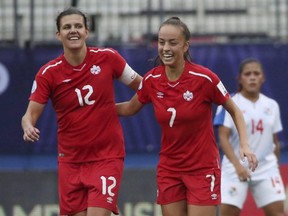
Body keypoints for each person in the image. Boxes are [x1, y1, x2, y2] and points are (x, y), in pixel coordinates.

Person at [116, 17, 258, 216]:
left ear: (185, 46)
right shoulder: (152, 79)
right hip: (169, 168)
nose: (165, 48)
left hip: (202, 168)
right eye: (161, 41)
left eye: (173, 43)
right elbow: (130, 108)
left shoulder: (205, 78)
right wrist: (94, 108)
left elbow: (234, 109)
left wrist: (244, 144)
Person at [21, 7, 142, 216]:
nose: (73, 31)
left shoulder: (108, 58)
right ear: (58, 35)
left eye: (78, 26)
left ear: (87, 31)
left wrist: (128, 108)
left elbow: (144, 87)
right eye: (67, 27)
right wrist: (28, 126)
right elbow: (29, 114)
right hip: (71, 161)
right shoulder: (48, 74)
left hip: (106, 156)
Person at [213, 58, 286, 216]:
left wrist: (273, 167)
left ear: (263, 77)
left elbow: (275, 142)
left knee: (279, 213)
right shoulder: (229, 103)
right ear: (239, 78)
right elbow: (223, 139)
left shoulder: (272, 105)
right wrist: (238, 166)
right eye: (247, 74)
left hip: (266, 169)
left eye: (256, 73)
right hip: (235, 168)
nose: (252, 77)